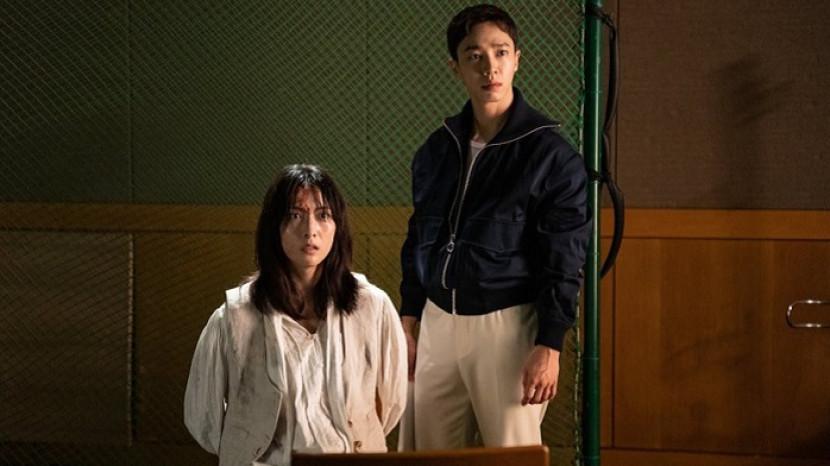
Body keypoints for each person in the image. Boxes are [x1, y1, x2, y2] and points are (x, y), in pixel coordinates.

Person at [399, 4, 592, 450]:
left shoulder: (551, 157)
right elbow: (418, 240)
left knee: (511, 455)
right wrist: (408, 323)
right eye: (474, 56)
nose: (490, 67)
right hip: (437, 323)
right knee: (428, 454)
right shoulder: (436, 150)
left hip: (507, 326)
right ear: (455, 67)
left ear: (517, 59)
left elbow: (564, 260)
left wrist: (549, 343)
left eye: (501, 52)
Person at [185, 164, 407, 466]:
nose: (310, 230)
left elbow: (391, 404)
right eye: (295, 215)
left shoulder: (373, 308)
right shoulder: (234, 317)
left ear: (338, 226)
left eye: (323, 215)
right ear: (274, 226)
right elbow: (203, 418)